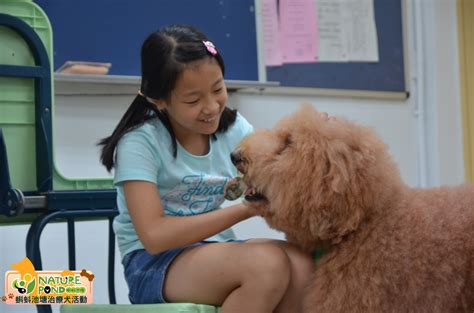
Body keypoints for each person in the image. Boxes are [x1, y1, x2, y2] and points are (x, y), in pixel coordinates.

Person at [99, 24, 314, 313]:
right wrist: (244, 209)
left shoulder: (235, 131)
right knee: (266, 266)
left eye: (218, 89)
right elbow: (154, 236)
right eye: (193, 100)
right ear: (159, 100)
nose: (212, 107)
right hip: (154, 263)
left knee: (302, 265)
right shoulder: (139, 142)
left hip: (214, 252)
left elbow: (278, 175)